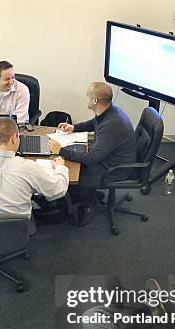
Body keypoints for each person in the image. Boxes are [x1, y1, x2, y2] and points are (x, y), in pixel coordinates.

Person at [48, 82, 136, 227]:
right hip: (111, 157)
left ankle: (89, 202)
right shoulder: (109, 111)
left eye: (88, 96)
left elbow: (91, 159)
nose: (86, 99)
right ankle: (87, 195)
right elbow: (95, 123)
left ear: (95, 100)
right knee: (73, 163)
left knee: (72, 175)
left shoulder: (111, 124)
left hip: (115, 168)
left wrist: (60, 151)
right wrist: (74, 127)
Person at [0, 117, 69, 223]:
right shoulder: (29, 168)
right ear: (14, 137)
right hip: (14, 231)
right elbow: (58, 190)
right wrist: (60, 167)